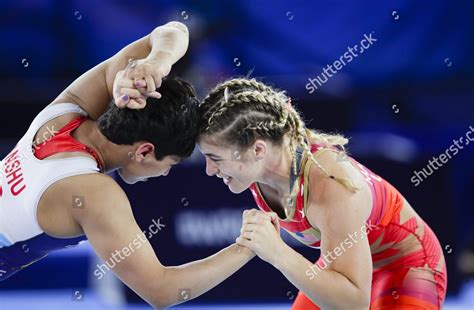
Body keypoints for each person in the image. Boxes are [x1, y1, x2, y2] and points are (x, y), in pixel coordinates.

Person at [0, 22, 258, 309]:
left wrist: (155, 63)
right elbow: (161, 291)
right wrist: (248, 247)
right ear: (145, 151)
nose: (165, 174)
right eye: (170, 164)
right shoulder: (95, 194)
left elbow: (173, 30)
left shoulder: (62, 114)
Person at [196, 77, 448, 309]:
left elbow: (353, 304)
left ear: (258, 150)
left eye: (214, 158)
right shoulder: (259, 163)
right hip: (346, 269)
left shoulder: (332, 185)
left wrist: (277, 252)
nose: (209, 170)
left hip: (407, 268)